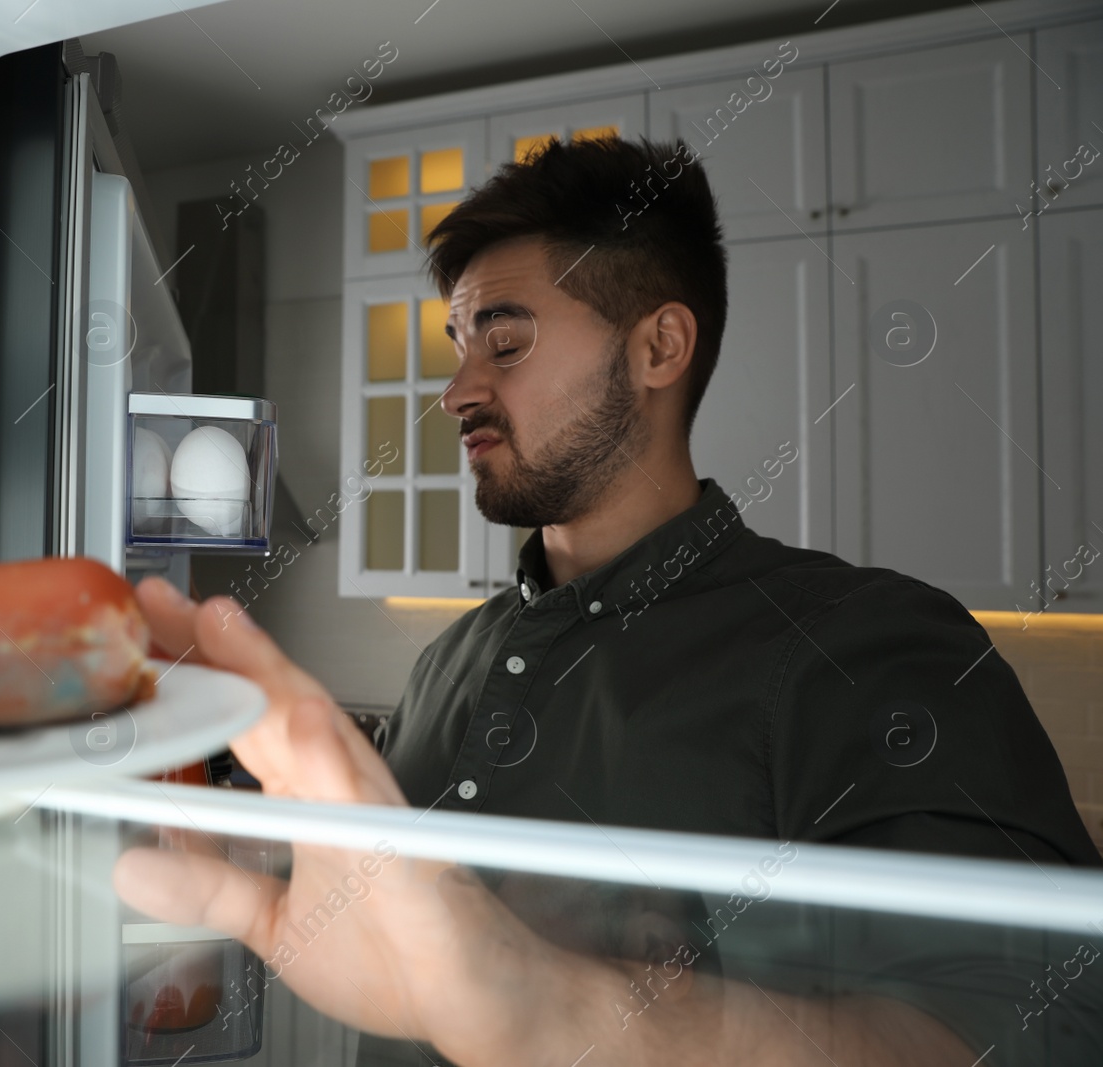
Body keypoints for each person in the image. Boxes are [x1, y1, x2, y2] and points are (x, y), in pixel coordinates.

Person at [115, 137, 1103, 1065]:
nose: (456, 388)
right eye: (458, 345)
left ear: (658, 348)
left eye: (503, 344)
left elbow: (1032, 1021)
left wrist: (542, 999)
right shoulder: (449, 660)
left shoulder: (866, 644)